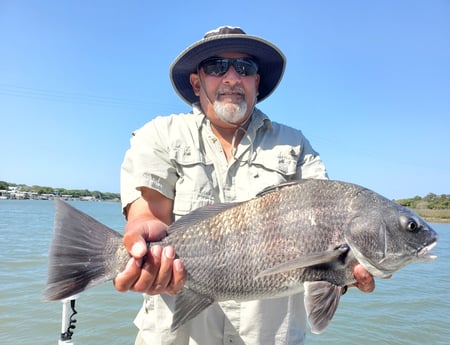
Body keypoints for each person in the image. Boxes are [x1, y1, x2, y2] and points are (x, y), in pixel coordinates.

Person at [114, 26, 375, 345]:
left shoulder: (295, 146)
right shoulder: (160, 135)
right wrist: (141, 241)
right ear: (197, 82)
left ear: (257, 81)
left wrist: (342, 270)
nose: (232, 78)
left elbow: (327, 228)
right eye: (216, 67)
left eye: (246, 68)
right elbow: (147, 216)